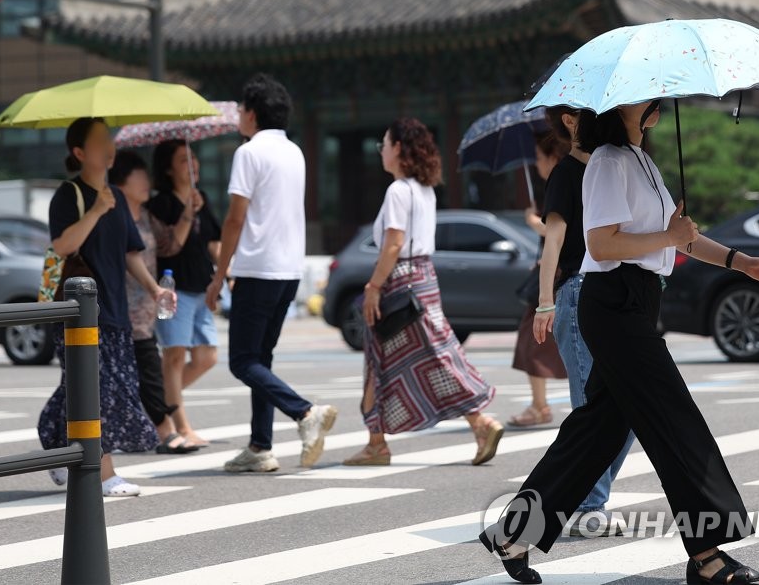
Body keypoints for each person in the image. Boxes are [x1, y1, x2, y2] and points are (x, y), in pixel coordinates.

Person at [480, 100, 759, 584]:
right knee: (672, 416)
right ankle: (707, 555)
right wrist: (667, 233)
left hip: (639, 301)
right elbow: (601, 244)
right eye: (644, 96)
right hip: (612, 302)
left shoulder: (642, 162)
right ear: (623, 110)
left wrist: (740, 261)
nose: (655, 99)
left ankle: (511, 534)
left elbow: (680, 240)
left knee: (596, 432)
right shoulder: (606, 162)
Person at [349, 118, 502, 467]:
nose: (381, 152)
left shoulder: (398, 190)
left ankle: (479, 422)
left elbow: (393, 244)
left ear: (398, 148)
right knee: (435, 354)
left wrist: (374, 286)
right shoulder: (425, 190)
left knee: (384, 358)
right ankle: (377, 441)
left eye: (384, 145)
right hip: (424, 279)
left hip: (399, 283)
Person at [204, 73, 336, 473]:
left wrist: (219, 274)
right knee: (261, 359)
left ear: (253, 113)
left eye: (242, 110)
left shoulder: (249, 153)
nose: (239, 116)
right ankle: (261, 446)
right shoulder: (294, 151)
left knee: (242, 362)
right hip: (288, 270)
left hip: (256, 269)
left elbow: (235, 219)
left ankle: (304, 412)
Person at [39, 118, 172, 497]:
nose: (108, 144)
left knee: (90, 389)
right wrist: (96, 210)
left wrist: (154, 290)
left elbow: (131, 254)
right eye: (99, 140)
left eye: (108, 137)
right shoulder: (70, 195)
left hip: (115, 312)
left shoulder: (114, 193)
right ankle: (104, 472)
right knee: (98, 393)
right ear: (79, 153)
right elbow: (62, 246)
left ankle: (57, 440)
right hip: (77, 315)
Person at [531, 106, 635, 537]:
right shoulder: (567, 173)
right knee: (591, 407)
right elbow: (554, 240)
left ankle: (588, 498)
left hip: (612, 294)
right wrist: (544, 302)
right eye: (576, 113)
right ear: (568, 122)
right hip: (575, 294)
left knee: (627, 409)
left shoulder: (614, 167)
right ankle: (590, 504)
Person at [109, 150, 199, 455]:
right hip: (119, 310)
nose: (148, 183)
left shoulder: (146, 216)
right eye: (141, 178)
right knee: (145, 371)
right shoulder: (112, 217)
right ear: (122, 183)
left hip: (147, 311)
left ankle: (148, 431)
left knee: (135, 374)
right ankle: (166, 431)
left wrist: (188, 212)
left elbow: (171, 244)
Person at [147, 139, 221, 449]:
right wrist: (187, 214)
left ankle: (151, 407)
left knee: (207, 357)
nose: (192, 165)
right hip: (172, 289)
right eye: (182, 160)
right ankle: (181, 426)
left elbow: (213, 242)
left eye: (193, 158)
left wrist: (225, 275)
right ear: (167, 169)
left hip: (201, 288)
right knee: (174, 356)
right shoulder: (161, 204)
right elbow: (169, 246)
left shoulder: (201, 198)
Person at [508, 131, 568, 428]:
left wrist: (535, 223)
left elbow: (560, 231)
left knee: (536, 339)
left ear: (553, 157)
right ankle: (539, 403)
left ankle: (540, 405)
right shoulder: (561, 182)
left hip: (558, 277)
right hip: (558, 275)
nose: (536, 165)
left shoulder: (563, 182)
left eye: (539, 158)